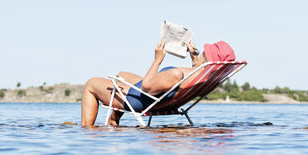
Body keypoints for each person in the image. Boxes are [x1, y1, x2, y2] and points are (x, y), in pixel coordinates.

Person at [81, 39, 235, 127]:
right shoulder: (207, 79)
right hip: (164, 100)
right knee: (122, 74)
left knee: (91, 84)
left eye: (202, 53)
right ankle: (113, 121)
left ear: (206, 59)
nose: (199, 53)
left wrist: (157, 60)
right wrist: (195, 60)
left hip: (141, 100)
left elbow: (147, 87)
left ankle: (87, 128)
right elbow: (197, 72)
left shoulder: (176, 74)